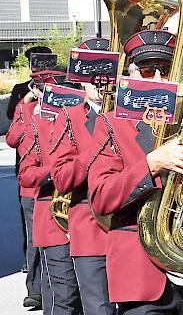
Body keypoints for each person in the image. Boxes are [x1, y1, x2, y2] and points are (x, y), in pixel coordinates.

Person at [87, 30, 183, 314]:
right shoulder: (110, 124)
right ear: (130, 76)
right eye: (146, 70)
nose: (157, 80)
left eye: (165, 71)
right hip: (140, 275)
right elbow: (102, 198)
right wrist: (152, 163)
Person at [49, 38, 116, 315]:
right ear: (80, 81)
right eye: (92, 77)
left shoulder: (133, 115)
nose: (99, 82)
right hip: (91, 232)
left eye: (106, 75)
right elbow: (62, 178)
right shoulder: (68, 117)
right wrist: (99, 145)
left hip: (132, 233)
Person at [18, 70, 83, 315]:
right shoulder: (38, 126)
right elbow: (26, 175)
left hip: (89, 222)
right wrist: (58, 171)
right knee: (63, 297)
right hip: (55, 223)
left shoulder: (93, 124)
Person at [6, 70, 46, 310]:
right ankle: (35, 289)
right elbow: (13, 138)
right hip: (33, 189)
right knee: (35, 241)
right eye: (40, 88)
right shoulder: (27, 109)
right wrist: (26, 104)